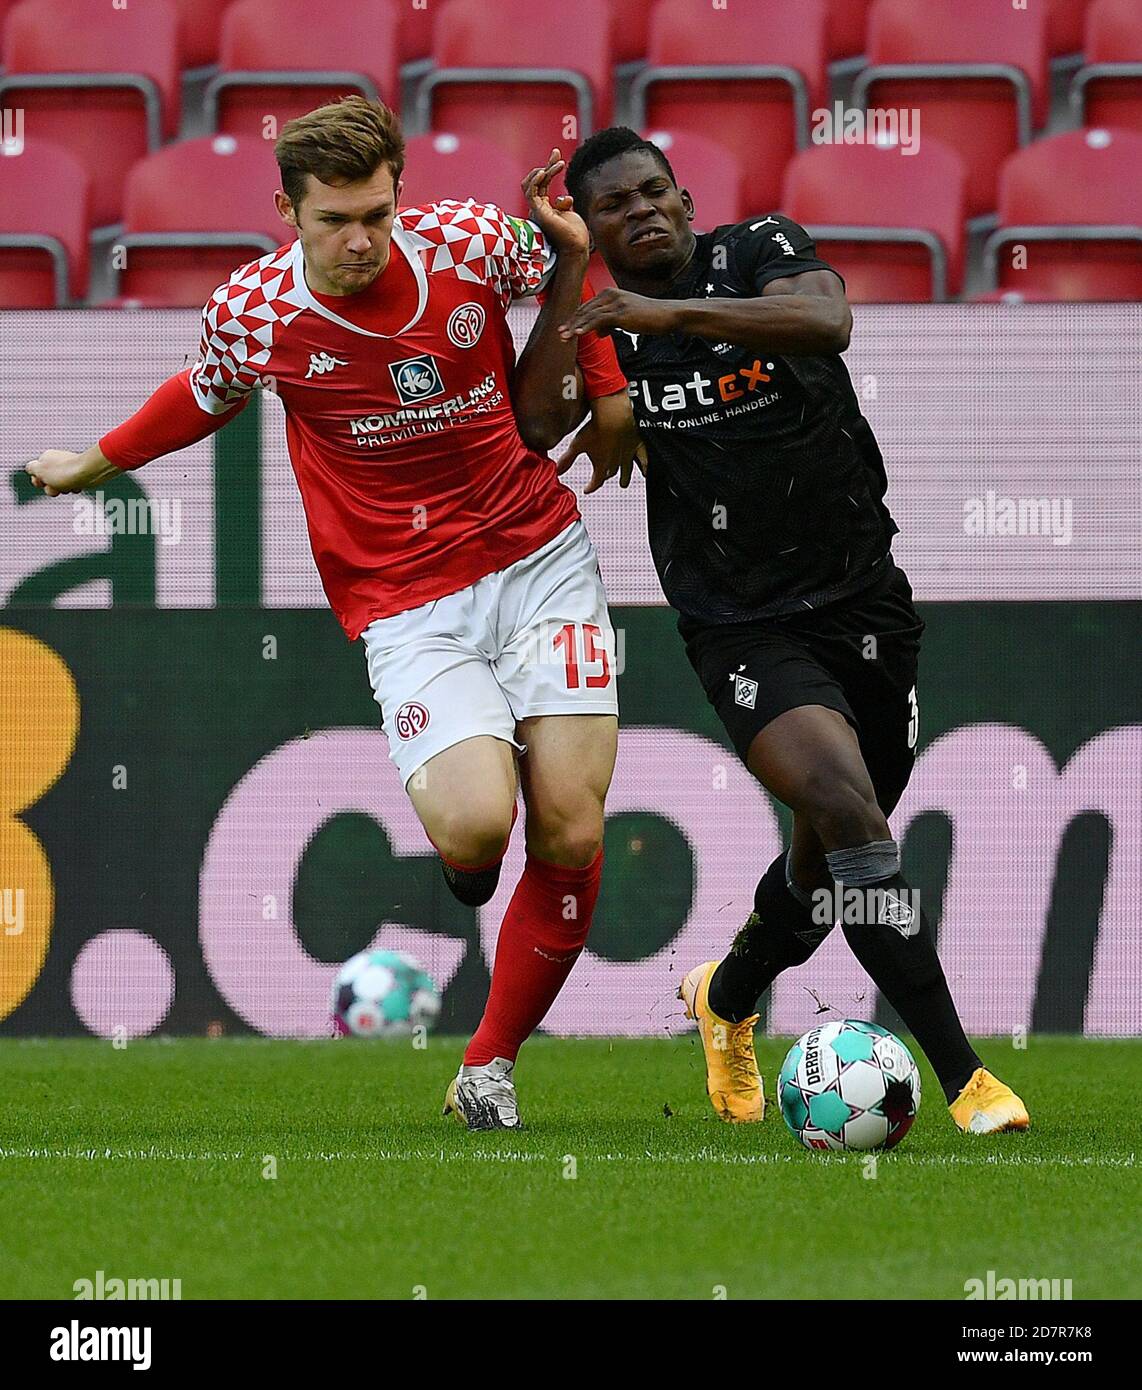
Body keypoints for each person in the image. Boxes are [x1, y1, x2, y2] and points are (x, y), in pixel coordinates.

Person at [24, 97, 631, 1132]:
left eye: (377, 214)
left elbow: (581, 272)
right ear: (286, 210)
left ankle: (487, 1065)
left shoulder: (472, 242)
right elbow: (202, 392)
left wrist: (609, 389)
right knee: (481, 823)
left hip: (537, 554)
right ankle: (467, 863)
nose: (360, 240)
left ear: (401, 196)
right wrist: (97, 459)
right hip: (405, 597)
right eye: (334, 220)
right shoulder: (254, 310)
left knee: (570, 824)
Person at [557, 127, 1029, 1135]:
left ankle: (724, 997)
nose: (638, 210)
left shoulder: (756, 249)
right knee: (856, 826)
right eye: (611, 205)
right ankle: (966, 1080)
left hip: (864, 605)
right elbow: (525, 423)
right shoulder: (598, 330)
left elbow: (827, 321)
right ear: (590, 228)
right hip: (738, 627)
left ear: (684, 201)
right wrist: (585, 351)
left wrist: (669, 310)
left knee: (819, 873)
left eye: (652, 192)